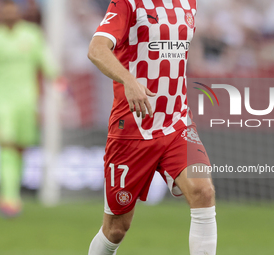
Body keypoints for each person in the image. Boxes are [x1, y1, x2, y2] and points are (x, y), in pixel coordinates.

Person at [87, 0, 217, 254]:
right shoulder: (127, 3)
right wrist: (128, 80)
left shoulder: (189, 3)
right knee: (116, 229)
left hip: (177, 122)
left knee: (203, 191)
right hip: (132, 128)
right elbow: (96, 49)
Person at [0, 0, 56, 217]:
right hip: (2, 103)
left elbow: (46, 62)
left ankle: (13, 194)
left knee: (20, 148)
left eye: (12, 9)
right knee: (8, 145)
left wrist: (58, 81)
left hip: (27, 102)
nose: (8, 13)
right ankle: (9, 199)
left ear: (18, 12)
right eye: (5, 9)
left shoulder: (31, 35)